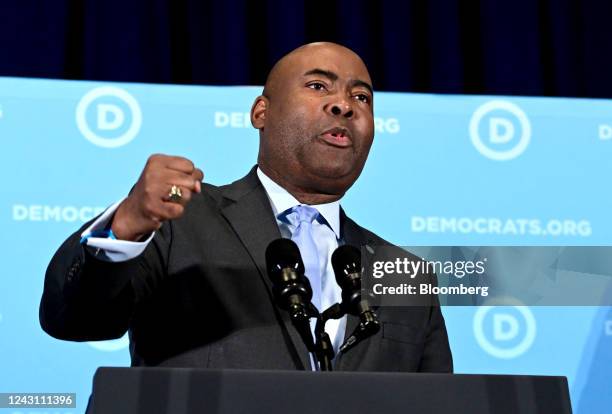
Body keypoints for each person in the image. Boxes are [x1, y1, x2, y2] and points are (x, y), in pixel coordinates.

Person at [40, 42, 452, 372]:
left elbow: (438, 404)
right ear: (261, 112)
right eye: (317, 86)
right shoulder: (183, 221)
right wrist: (127, 224)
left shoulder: (407, 274)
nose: (343, 105)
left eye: (361, 96)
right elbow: (74, 318)